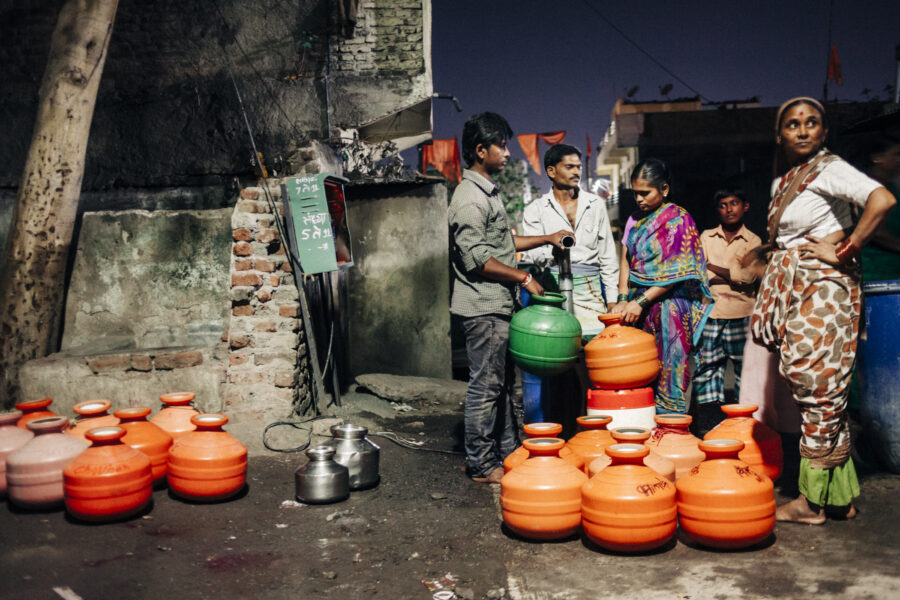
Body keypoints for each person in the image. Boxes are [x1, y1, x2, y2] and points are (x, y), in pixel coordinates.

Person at [748, 97, 896, 524]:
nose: (803, 130)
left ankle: (810, 503)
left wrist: (847, 248)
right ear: (780, 134)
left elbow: (881, 199)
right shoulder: (785, 180)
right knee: (819, 388)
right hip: (799, 287)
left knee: (818, 387)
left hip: (824, 289)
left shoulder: (830, 167)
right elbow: (787, 240)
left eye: (812, 123)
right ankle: (839, 496)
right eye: (793, 123)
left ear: (824, 132)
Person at [448, 112, 572, 484]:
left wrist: (547, 238)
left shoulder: (488, 193)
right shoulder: (470, 199)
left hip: (499, 307)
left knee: (502, 386)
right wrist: (524, 277)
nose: (507, 153)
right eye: (501, 146)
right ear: (480, 150)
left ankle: (506, 451)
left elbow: (502, 244)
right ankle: (481, 463)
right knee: (485, 387)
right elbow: (479, 258)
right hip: (483, 308)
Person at [611, 159, 712, 414]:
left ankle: (671, 429)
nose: (639, 199)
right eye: (635, 193)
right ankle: (642, 427)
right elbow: (626, 259)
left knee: (670, 369)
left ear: (664, 189)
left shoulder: (679, 220)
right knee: (639, 370)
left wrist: (641, 301)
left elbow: (678, 273)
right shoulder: (634, 219)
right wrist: (623, 298)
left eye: (645, 193)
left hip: (670, 307)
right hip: (636, 307)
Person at [521, 144, 620, 336]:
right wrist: (554, 250)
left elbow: (608, 257)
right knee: (561, 353)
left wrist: (612, 302)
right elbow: (535, 256)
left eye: (579, 167)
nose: (577, 172)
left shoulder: (595, 205)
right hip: (553, 291)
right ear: (551, 171)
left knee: (593, 351)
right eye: (569, 167)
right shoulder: (536, 209)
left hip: (592, 293)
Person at [691, 189, 761, 435]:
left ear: (745, 206)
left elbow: (748, 277)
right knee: (707, 370)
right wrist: (731, 273)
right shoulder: (706, 237)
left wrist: (712, 267)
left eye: (734, 203)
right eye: (723, 205)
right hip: (711, 313)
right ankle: (710, 428)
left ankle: (746, 428)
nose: (729, 209)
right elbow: (698, 271)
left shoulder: (754, 242)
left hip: (742, 314)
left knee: (746, 372)